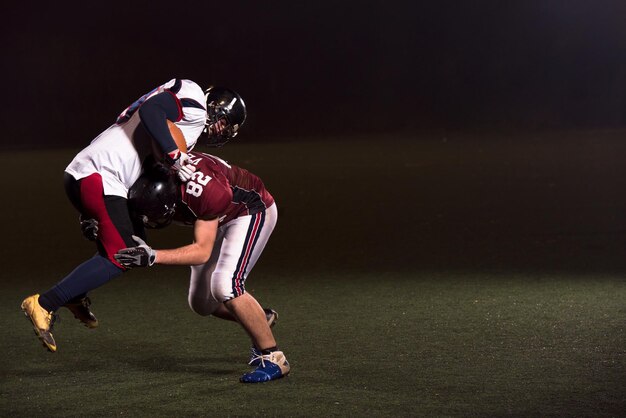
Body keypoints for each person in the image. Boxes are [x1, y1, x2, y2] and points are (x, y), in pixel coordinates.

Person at [20, 79, 247, 353]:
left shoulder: (190, 121)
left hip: (105, 176)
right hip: (101, 174)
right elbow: (153, 109)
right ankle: (45, 303)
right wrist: (175, 156)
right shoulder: (194, 100)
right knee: (120, 255)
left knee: (134, 247)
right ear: (215, 106)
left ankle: (76, 294)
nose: (220, 131)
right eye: (224, 122)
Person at [114, 151, 290, 383]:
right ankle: (259, 318)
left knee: (226, 285)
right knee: (202, 303)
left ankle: (273, 357)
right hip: (212, 216)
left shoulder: (204, 192)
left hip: (247, 210)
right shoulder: (141, 177)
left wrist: (153, 256)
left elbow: (201, 251)